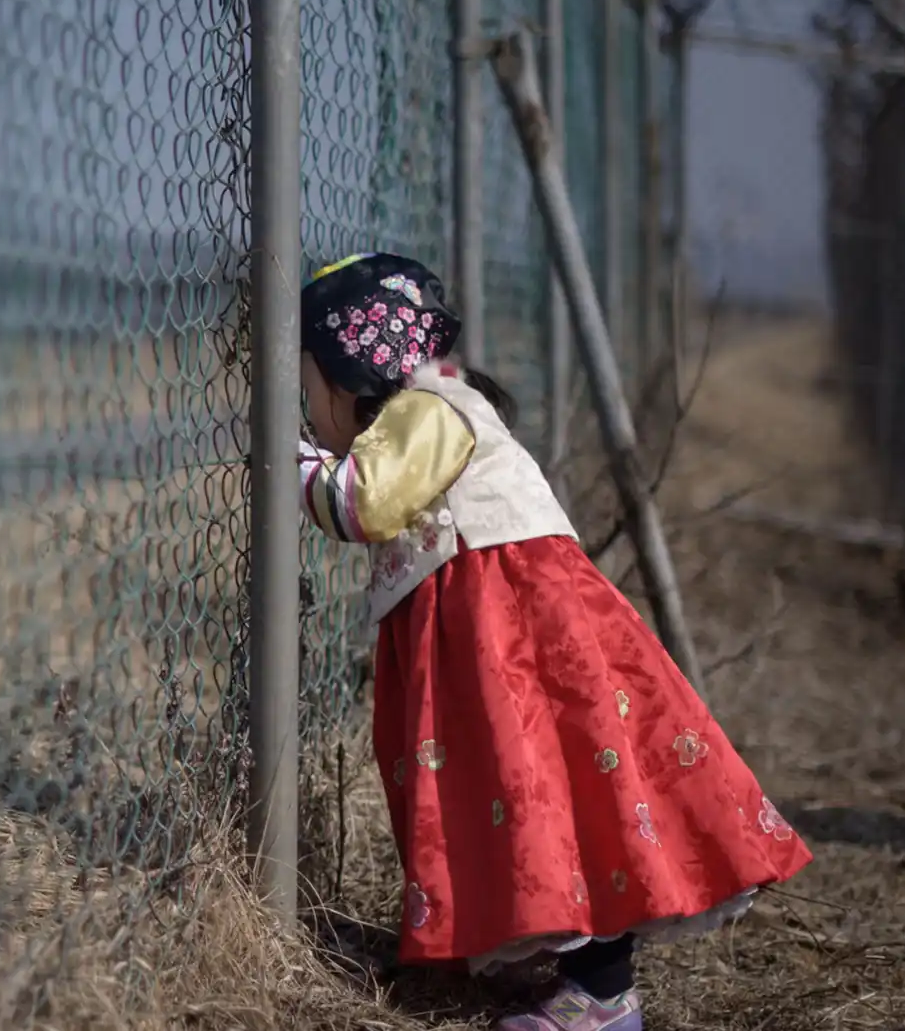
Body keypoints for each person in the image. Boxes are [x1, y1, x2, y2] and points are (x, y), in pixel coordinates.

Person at [295, 253, 813, 1031]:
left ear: (353, 370)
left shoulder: (431, 410)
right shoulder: (421, 410)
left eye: (305, 394)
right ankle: (568, 971)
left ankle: (601, 997)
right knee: (521, 787)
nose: (304, 415)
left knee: (558, 787)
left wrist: (282, 454)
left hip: (509, 630)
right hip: (488, 630)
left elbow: (361, 503)